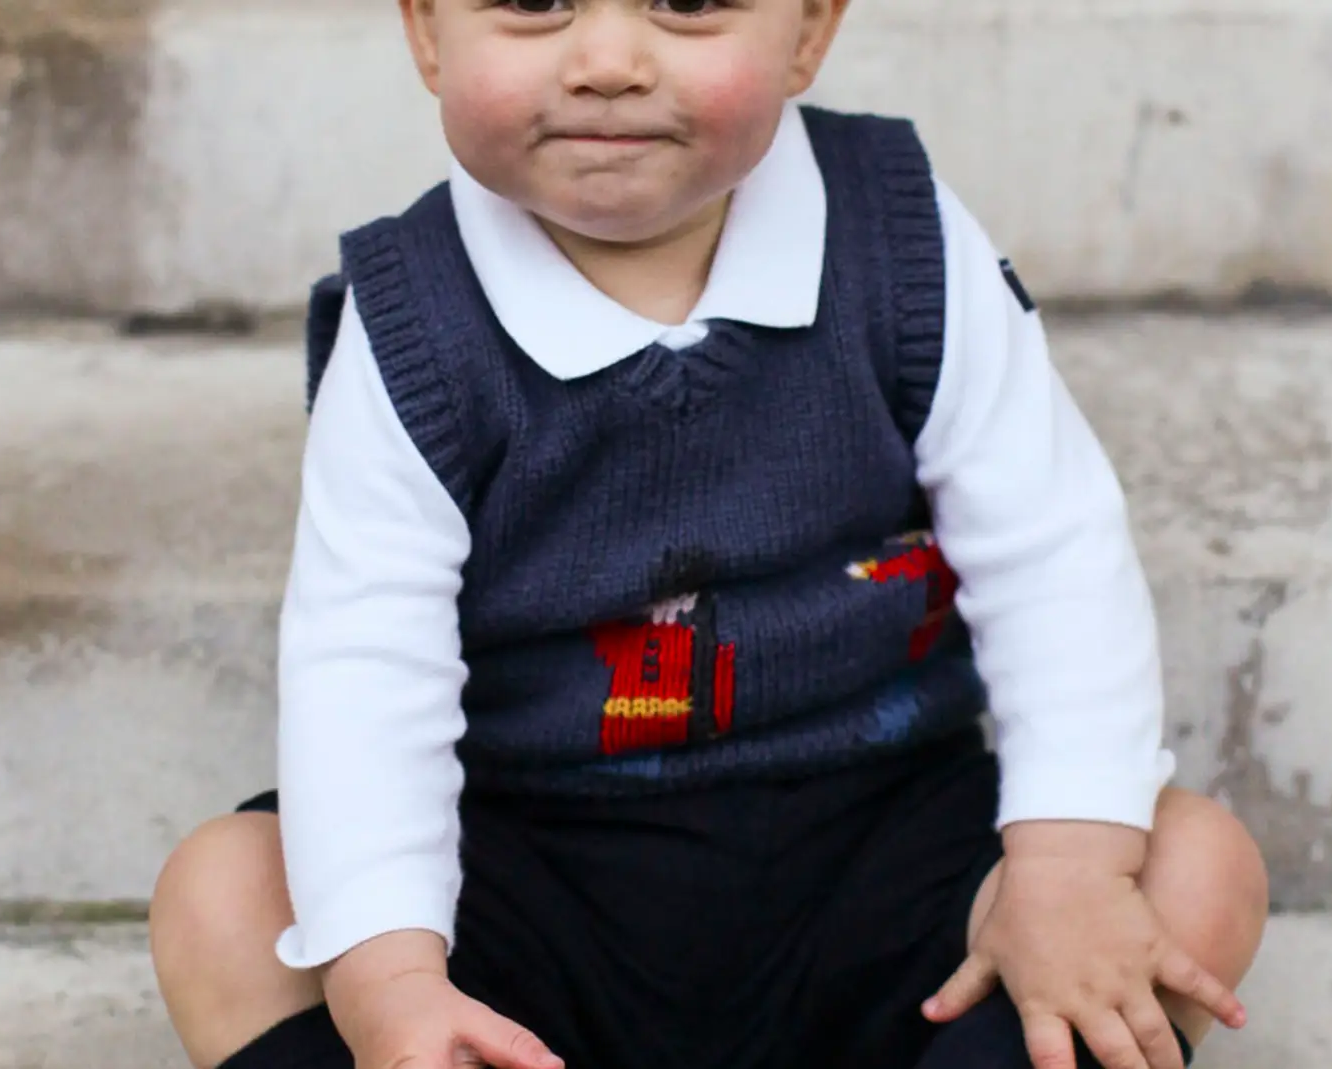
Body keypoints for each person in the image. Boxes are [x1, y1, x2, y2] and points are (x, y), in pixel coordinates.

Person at [149, 2, 1271, 1068]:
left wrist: (1065, 868)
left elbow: (1051, 547)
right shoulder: (412, 326)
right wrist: (393, 984)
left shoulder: (899, 237)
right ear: (425, 32)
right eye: (534, 2)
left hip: (878, 839)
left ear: (810, 31)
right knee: (226, 895)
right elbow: (363, 663)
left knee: (1191, 863)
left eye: (687, 2)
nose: (605, 58)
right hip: (530, 863)